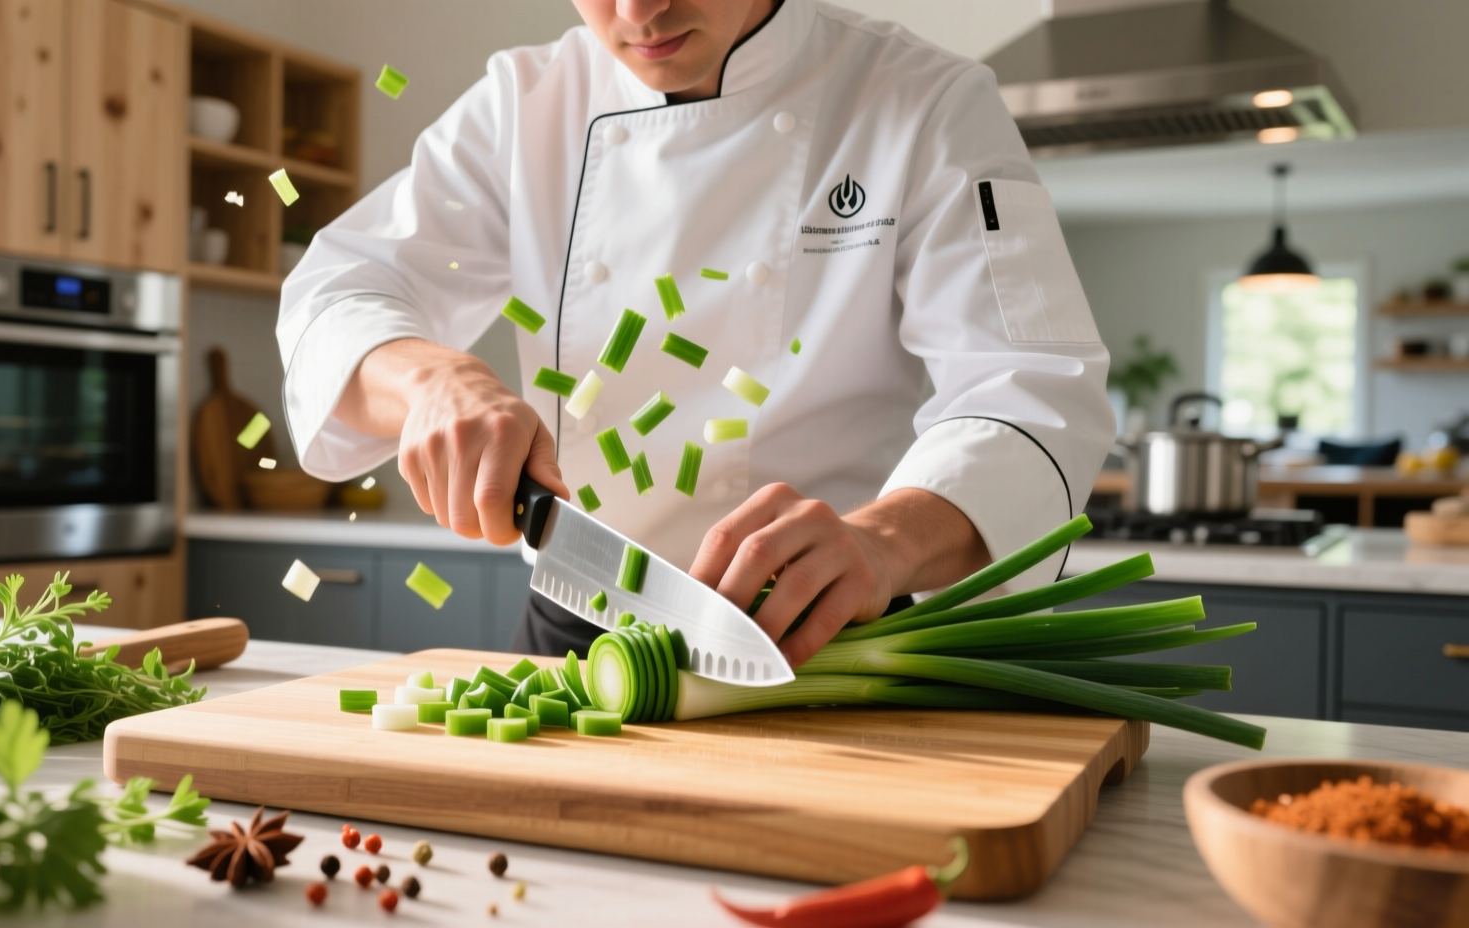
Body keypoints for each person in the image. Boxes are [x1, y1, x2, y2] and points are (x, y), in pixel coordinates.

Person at [277, 0, 1113, 667]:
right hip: (577, 638)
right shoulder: (524, 105)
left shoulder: (921, 100)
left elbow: (1034, 386)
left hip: (824, 648)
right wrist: (430, 381)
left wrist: (884, 541)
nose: (639, 10)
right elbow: (340, 287)